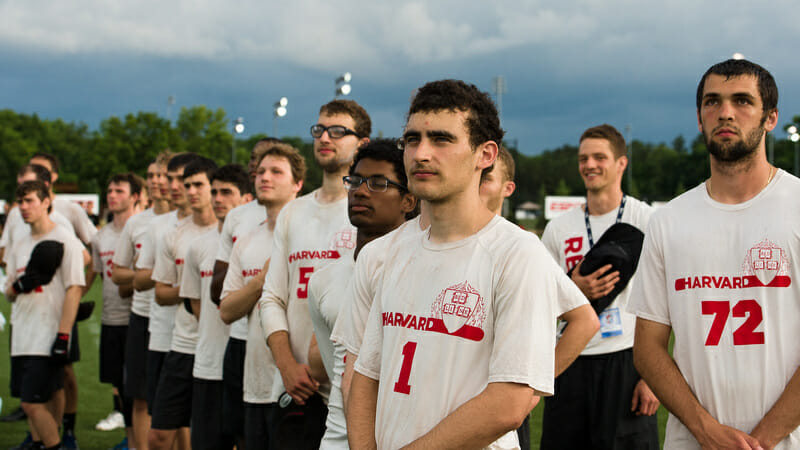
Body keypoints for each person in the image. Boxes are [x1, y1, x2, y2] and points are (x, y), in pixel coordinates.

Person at [347, 79, 585, 449]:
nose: (420, 153)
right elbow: (365, 374)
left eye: (441, 139)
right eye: (412, 139)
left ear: (485, 155)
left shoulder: (518, 253)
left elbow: (509, 404)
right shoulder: (389, 251)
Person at [631, 59, 800, 449]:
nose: (725, 112)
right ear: (699, 117)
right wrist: (705, 430)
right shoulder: (668, 220)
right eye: (712, 102)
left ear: (771, 118)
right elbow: (648, 348)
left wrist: (760, 441)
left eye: (742, 101)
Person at [539, 124, 659, 449]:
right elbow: (540, 303)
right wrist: (572, 288)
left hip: (627, 362)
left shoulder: (646, 221)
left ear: (621, 163)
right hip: (570, 360)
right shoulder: (558, 228)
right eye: (583, 158)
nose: (589, 165)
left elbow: (668, 303)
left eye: (599, 157)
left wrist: (652, 379)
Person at [259, 99, 370, 447]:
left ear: (362, 143)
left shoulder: (368, 210)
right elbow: (272, 297)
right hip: (295, 387)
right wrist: (287, 365)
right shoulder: (294, 212)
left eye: (338, 131)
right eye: (320, 129)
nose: (325, 137)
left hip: (348, 390)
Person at [309, 138, 417, 449]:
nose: (361, 190)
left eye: (379, 183)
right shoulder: (323, 281)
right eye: (355, 181)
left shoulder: (423, 274)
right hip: (339, 436)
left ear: (408, 201)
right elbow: (337, 368)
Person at [219, 143, 305, 450]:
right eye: (261, 171)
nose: (264, 177)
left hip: (302, 383)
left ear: (298, 183)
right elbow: (226, 310)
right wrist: (259, 282)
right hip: (255, 380)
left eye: (276, 172)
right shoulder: (247, 240)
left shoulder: (310, 235)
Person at [4, 180, 85, 450]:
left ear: (46, 202)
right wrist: (18, 286)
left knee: (31, 402)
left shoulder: (65, 241)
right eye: (21, 202)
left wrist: (63, 335)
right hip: (22, 334)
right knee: (38, 401)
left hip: (48, 333)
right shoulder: (19, 243)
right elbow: (9, 292)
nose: (24, 208)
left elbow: (75, 289)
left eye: (30, 201)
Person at [149, 157, 218, 450]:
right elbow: (160, 294)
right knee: (159, 435)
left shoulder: (230, 231)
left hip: (218, 347)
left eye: (198, 184)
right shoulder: (174, 234)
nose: (190, 191)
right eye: (186, 185)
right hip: (182, 344)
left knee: (213, 436)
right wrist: (192, 288)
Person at [182, 164, 250, 450]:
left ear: (246, 199)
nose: (217, 199)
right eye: (215, 192)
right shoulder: (198, 246)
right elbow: (195, 303)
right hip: (209, 364)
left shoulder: (259, 243)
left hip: (248, 364)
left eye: (226, 192)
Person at [134, 152, 197, 450]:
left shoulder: (219, 226)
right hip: (162, 336)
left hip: (202, 339)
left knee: (201, 426)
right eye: (168, 178)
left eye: (178, 179)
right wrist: (188, 286)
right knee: (163, 426)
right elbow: (143, 280)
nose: (171, 184)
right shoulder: (158, 227)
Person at [111, 151, 173, 449]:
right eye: (151, 176)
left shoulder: (185, 219)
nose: (157, 181)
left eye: (163, 175)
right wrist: (141, 273)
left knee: (171, 399)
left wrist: (152, 273)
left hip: (175, 320)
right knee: (138, 394)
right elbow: (118, 273)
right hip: (142, 316)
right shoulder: (138, 223)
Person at [90, 173, 143, 448]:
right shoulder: (100, 236)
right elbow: (101, 279)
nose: (112, 195)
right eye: (109, 190)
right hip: (111, 318)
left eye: (119, 191)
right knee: (119, 385)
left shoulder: (141, 229)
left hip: (139, 319)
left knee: (140, 390)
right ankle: (130, 439)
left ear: (135, 196)